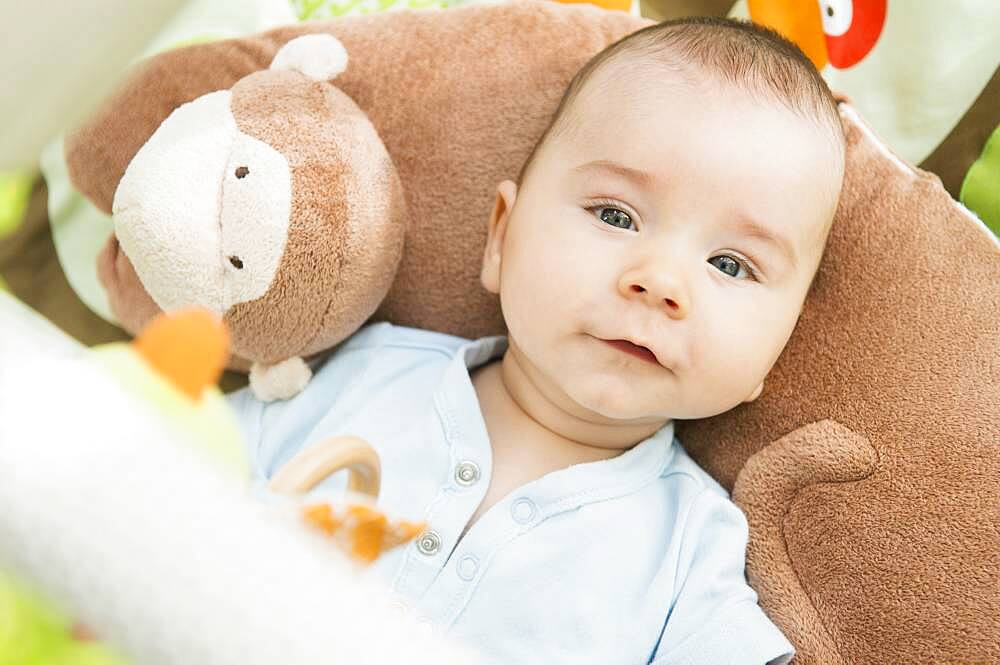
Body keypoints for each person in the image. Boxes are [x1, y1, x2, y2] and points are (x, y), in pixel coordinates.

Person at [229, 15, 845, 665]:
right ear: (501, 235)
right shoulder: (364, 373)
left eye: (729, 264)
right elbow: (168, 466)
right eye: (616, 215)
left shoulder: (690, 548)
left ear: (776, 350)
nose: (661, 282)